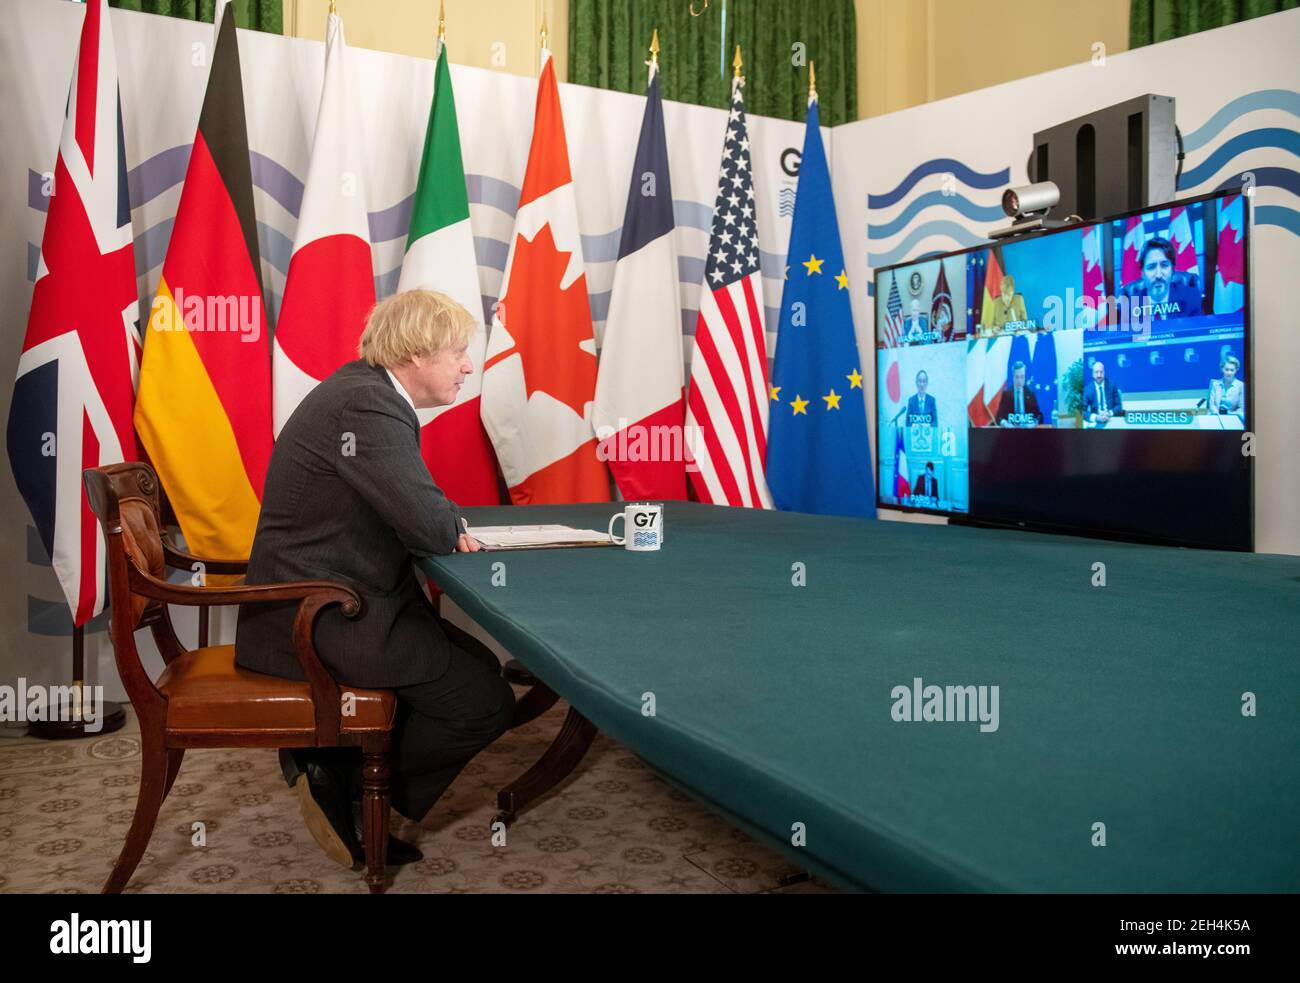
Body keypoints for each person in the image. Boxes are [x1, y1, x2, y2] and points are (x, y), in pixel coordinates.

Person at [235, 290, 515, 869]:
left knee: (481, 671)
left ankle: (336, 770)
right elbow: (430, 523)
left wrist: (441, 519)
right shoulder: (368, 407)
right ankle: (356, 795)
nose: (468, 366)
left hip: (330, 601)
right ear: (416, 353)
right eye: (458, 352)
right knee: (483, 699)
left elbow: (418, 512)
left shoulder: (361, 391)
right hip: (321, 617)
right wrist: (445, 523)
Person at [1126, 236, 1202, 320]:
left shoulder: (1191, 297)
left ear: (1172, 270)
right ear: (1143, 273)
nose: (1158, 275)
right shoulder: (1129, 307)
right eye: (1151, 267)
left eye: (1164, 265)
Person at [996, 360, 1042, 427]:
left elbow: (1039, 416)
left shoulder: (1031, 393)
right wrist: (1005, 424)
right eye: (1017, 377)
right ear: (1013, 377)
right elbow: (999, 417)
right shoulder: (1006, 394)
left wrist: (1033, 423)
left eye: (1022, 377)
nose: (1019, 381)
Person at [1082, 358, 1124, 425]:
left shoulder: (1112, 385)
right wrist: (1096, 417)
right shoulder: (1087, 390)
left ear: (1104, 373)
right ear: (1092, 374)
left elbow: (1119, 406)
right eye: (1096, 372)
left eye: (1101, 372)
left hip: (1111, 420)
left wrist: (1109, 413)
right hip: (1096, 422)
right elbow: (1082, 411)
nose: (1099, 375)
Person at [1208, 354, 1245, 422]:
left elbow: (1241, 408)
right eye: (1226, 370)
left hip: (1234, 418)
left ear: (1236, 370)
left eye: (1232, 370)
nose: (1229, 373)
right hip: (1216, 417)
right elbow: (1212, 405)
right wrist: (1217, 415)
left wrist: (1229, 416)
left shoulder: (1241, 386)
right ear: (1222, 369)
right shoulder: (1215, 384)